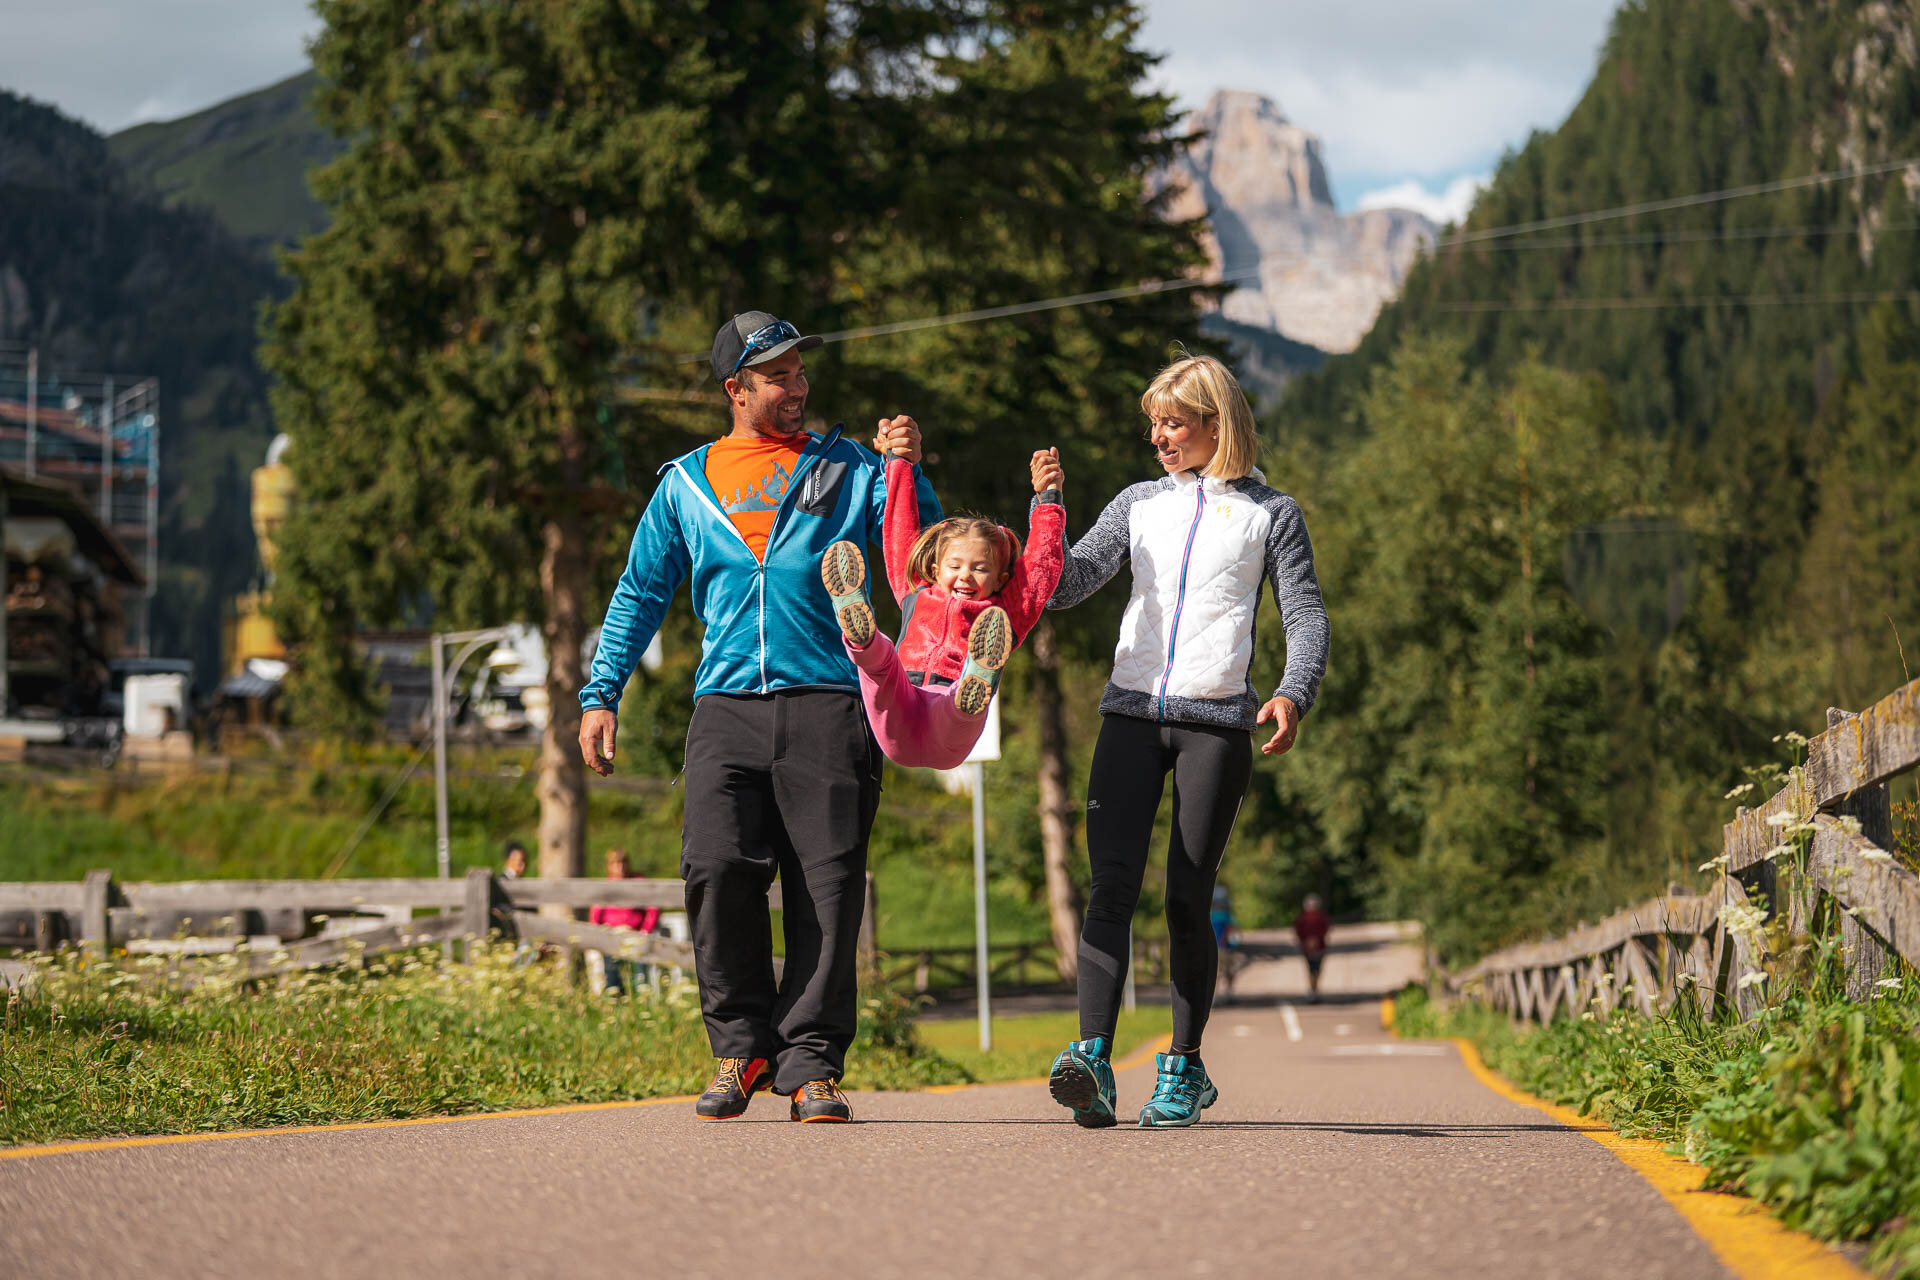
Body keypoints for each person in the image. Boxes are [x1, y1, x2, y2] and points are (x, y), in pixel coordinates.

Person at [578, 310, 938, 1124]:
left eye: (801, 371)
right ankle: (742, 1049)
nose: (798, 386)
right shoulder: (686, 482)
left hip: (831, 701)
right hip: (726, 705)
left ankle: (812, 1065)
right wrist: (602, 692)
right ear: (736, 388)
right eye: (779, 374)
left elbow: (916, 553)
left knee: (829, 891)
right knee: (714, 870)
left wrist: (908, 469)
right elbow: (639, 592)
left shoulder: (850, 467)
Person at [1043, 351, 1328, 1129]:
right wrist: (1046, 511)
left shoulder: (1273, 513)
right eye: (1154, 425)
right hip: (1130, 715)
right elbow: (1068, 583)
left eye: (1172, 423)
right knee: (1111, 889)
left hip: (1217, 725)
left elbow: (1304, 615)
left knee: (1185, 899)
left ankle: (1184, 1069)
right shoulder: (1139, 503)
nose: (1158, 438)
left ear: (1215, 422)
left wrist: (1291, 692)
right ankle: (1093, 1061)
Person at [821, 450, 1066, 768]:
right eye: (955, 566)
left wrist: (1049, 500)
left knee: (956, 706)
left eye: (979, 569)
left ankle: (975, 679)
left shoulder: (1004, 613)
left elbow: (1040, 568)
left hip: (949, 715)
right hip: (902, 698)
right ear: (935, 568)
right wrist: (899, 463)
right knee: (880, 670)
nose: (965, 575)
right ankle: (859, 633)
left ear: (1000, 578)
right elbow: (899, 531)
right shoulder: (915, 591)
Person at [587, 847, 660, 996]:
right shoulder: (606, 886)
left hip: (636, 936)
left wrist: (645, 930)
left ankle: (639, 995)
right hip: (612, 936)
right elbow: (595, 914)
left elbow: (652, 909)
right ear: (609, 866)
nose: (619, 867)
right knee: (611, 969)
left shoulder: (638, 882)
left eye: (622, 863)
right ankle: (615, 995)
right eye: (615, 863)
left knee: (639, 974)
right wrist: (601, 932)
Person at [1294, 893, 1332, 1003]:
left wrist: (1307, 941)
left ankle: (1313, 991)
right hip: (1314, 947)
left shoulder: (1305, 917)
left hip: (1314, 947)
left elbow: (1298, 932)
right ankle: (1313, 991)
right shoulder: (1311, 917)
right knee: (1315, 970)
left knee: (1312, 970)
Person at [1210, 883, 1240, 1003]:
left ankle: (1214, 996)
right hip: (1225, 947)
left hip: (1215, 947)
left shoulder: (1210, 915)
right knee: (1228, 971)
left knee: (1216, 972)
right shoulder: (1227, 917)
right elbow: (1233, 933)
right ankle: (1228, 994)